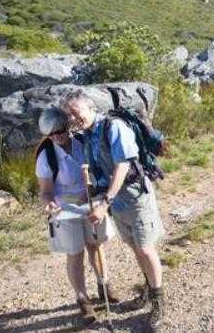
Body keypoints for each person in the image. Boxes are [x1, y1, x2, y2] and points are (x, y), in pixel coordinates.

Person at [60, 90, 166, 331]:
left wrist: (104, 202)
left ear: (90, 108)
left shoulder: (113, 126)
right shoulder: (87, 135)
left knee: (146, 249)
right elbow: (98, 171)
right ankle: (150, 290)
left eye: (75, 112)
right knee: (135, 249)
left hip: (135, 197)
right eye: (69, 115)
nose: (73, 119)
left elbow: (122, 166)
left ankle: (159, 302)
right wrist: (85, 197)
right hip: (116, 203)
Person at [35, 106, 121, 326]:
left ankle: (104, 285)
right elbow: (45, 192)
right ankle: (83, 300)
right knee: (75, 253)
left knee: (96, 246)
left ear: (68, 126)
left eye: (61, 130)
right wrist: (49, 203)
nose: (57, 136)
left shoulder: (84, 142)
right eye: (52, 134)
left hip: (91, 203)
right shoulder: (47, 155)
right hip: (65, 210)